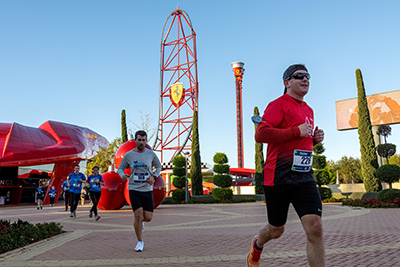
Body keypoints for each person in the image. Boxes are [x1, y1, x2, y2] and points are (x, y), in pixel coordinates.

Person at [247, 64, 325, 267]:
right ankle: (258, 245)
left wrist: (314, 140)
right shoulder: (278, 104)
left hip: (304, 177)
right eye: (299, 76)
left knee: (315, 228)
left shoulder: (309, 109)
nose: (305, 79)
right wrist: (296, 132)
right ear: (287, 82)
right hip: (278, 177)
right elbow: (261, 134)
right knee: (276, 230)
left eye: (307, 76)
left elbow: (299, 143)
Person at [117, 130, 162, 252]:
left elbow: (159, 166)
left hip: (147, 189)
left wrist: (154, 176)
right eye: (139, 140)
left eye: (143, 140)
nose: (141, 142)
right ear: (135, 140)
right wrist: (122, 175)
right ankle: (140, 242)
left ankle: (141, 222)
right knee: (137, 215)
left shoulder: (151, 154)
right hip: (134, 189)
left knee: (148, 217)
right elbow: (120, 168)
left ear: (146, 141)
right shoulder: (129, 155)